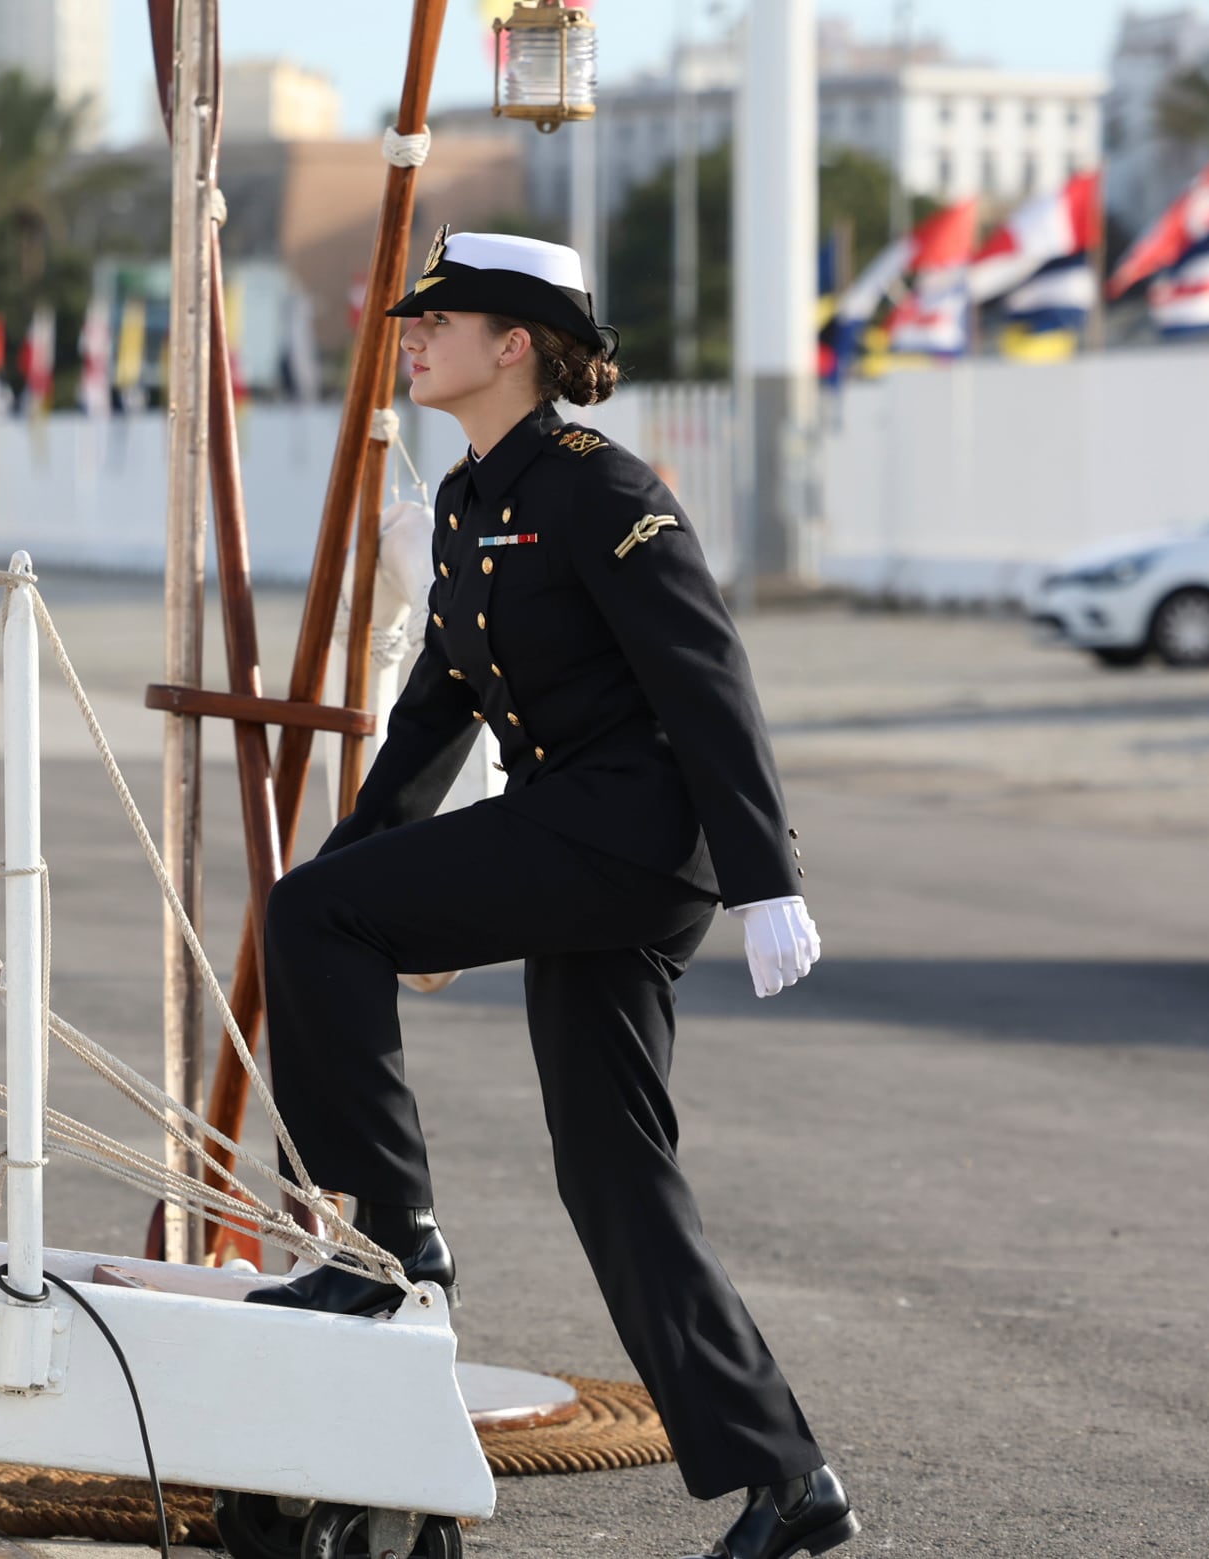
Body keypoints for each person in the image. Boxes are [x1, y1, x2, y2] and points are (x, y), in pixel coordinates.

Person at [247, 229, 856, 1559]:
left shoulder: (597, 485)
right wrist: (370, 874)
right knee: (610, 1169)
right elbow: (428, 720)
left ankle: (390, 1238)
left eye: (436, 321)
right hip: (573, 838)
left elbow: (706, 680)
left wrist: (765, 878)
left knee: (306, 916)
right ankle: (786, 1479)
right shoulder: (470, 499)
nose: (409, 337)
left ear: (512, 341)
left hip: (628, 837)